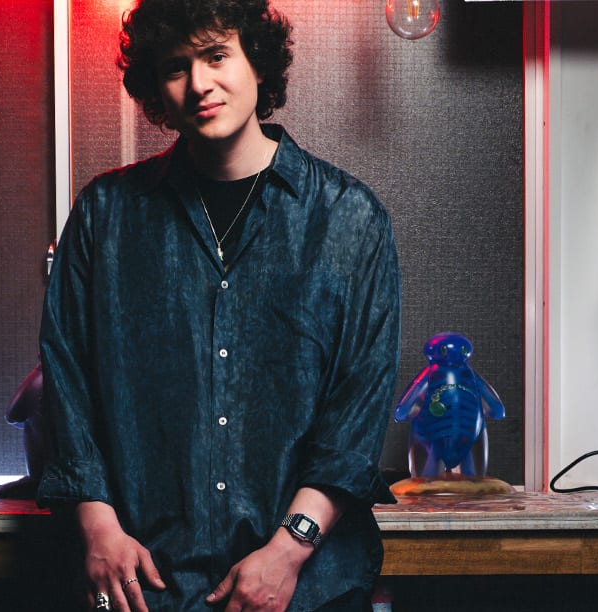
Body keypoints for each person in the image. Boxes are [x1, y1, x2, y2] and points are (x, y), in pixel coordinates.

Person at [38, 1, 401, 610]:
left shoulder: (350, 221)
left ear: (256, 61)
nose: (200, 84)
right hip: (148, 589)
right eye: (177, 66)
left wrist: (288, 551)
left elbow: (357, 413)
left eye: (216, 55)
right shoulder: (105, 217)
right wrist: (97, 525)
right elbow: (67, 382)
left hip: (309, 589)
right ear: (156, 85)